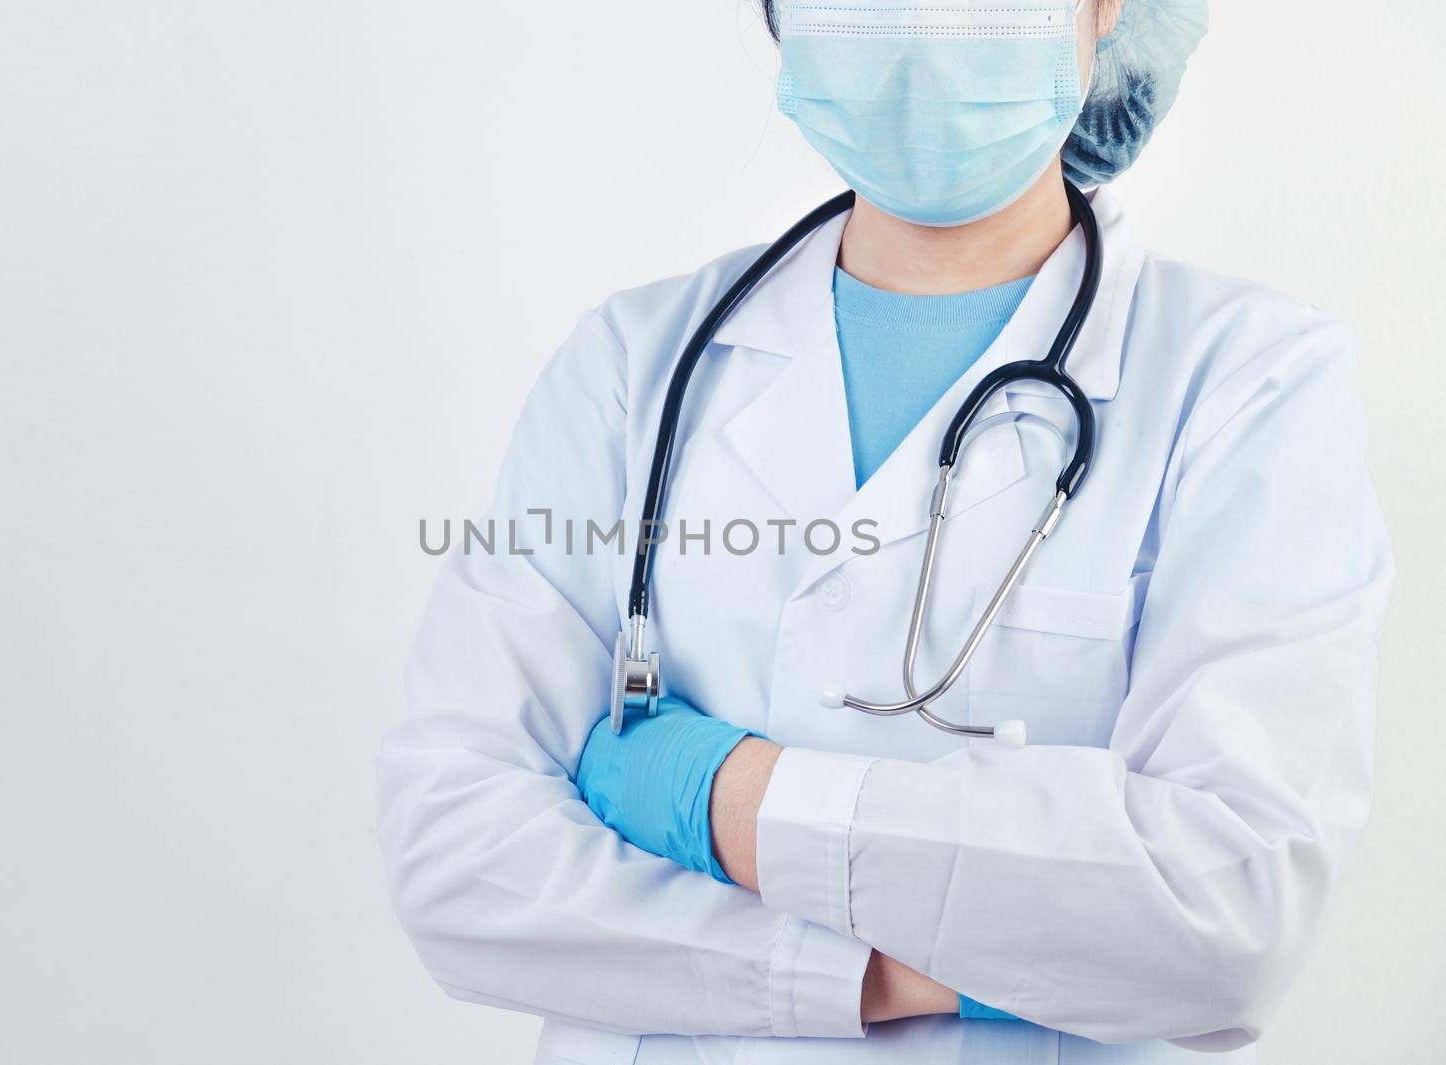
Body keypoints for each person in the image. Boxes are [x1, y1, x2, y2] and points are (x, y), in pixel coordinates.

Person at [378, 2, 1392, 1062]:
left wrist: (718, 793)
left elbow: (1226, 913)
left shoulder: (1248, 380)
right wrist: (901, 976)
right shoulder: (631, 365)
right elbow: (461, 857)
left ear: (1108, 10)